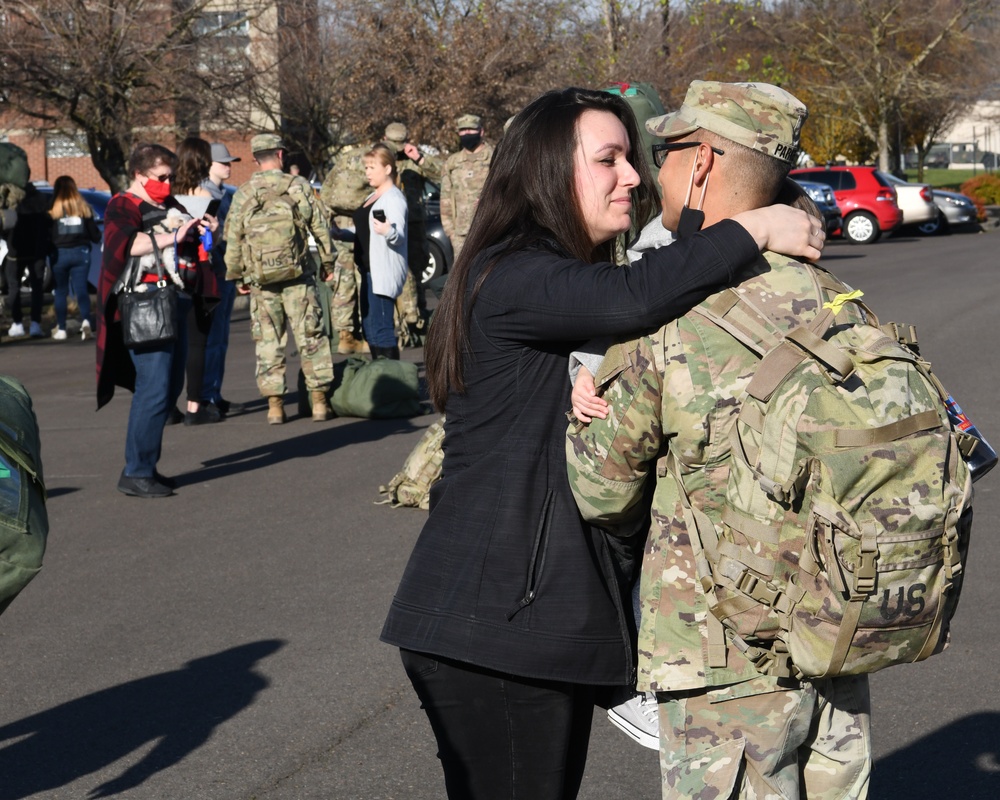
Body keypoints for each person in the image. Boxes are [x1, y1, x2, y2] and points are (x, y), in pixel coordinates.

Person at [379, 86, 824, 799]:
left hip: (520, 623)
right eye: (609, 159)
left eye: (635, 158)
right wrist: (756, 228)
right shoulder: (511, 271)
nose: (634, 176)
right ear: (549, 171)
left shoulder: (551, 279)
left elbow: (632, 300)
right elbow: (635, 297)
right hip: (494, 628)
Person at [566, 81, 871, 799]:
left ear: (700, 162)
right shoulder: (838, 300)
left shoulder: (672, 322)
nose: (649, 173)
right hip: (837, 639)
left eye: (663, 153)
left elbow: (600, 492)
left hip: (722, 658)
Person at [97, 143, 218, 498]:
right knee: (153, 388)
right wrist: (173, 235)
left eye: (170, 176)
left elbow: (185, 237)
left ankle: (144, 466)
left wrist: (205, 228)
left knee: (167, 389)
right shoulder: (123, 204)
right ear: (139, 174)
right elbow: (124, 244)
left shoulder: (166, 203)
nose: (167, 183)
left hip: (174, 300)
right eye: (161, 177)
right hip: (145, 304)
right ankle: (137, 471)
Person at [224, 133, 335, 425]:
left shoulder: (244, 193)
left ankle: (275, 406)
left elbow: (233, 239)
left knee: (268, 340)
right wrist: (328, 262)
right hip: (299, 277)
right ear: (281, 155)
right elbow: (320, 227)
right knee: (310, 336)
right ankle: (320, 403)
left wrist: (237, 275)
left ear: (255, 159)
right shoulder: (298, 186)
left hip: (262, 281)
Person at [172, 136, 222, 426]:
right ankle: (194, 405)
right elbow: (209, 242)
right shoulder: (205, 197)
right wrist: (216, 233)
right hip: (198, 271)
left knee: (172, 343)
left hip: (171, 269)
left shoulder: (167, 195)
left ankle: (167, 406)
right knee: (197, 341)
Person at [200, 142, 244, 416]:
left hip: (226, 269)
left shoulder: (224, 193)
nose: (228, 166)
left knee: (222, 338)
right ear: (209, 164)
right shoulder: (205, 193)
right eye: (223, 162)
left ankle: (214, 393)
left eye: (229, 162)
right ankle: (207, 395)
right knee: (213, 338)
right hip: (215, 270)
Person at [381, 121, 439, 325]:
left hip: (413, 222)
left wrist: (420, 158)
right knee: (395, 271)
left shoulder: (413, 160)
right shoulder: (379, 159)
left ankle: (418, 315)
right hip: (388, 223)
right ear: (385, 140)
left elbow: (442, 175)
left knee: (417, 267)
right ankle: (401, 318)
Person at [353, 144, 407, 359]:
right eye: (366, 168)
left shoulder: (393, 198)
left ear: (387, 169)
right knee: (371, 328)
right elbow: (368, 231)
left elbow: (399, 234)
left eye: (371, 167)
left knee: (382, 329)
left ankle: (394, 381)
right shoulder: (372, 196)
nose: (367, 173)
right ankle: (380, 374)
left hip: (382, 272)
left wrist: (389, 231)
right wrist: (344, 234)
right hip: (368, 271)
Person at [319, 145, 369, 355]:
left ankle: (345, 336)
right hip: (363, 228)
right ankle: (368, 335)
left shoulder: (337, 169)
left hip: (339, 231)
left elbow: (324, 198)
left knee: (343, 285)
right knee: (363, 282)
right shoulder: (370, 165)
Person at [48, 175, 101, 341]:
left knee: (61, 292)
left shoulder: (52, 210)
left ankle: (62, 328)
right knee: (81, 290)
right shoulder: (84, 209)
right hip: (81, 253)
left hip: (59, 254)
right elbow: (95, 236)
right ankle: (86, 321)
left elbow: (47, 235)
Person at [5, 178, 54, 338]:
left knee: (13, 287)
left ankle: (17, 322)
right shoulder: (41, 201)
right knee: (37, 288)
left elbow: (5, 225)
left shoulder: (12, 201)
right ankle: (35, 323)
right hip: (37, 250)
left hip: (15, 252)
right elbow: (49, 225)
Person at [439, 113, 493, 259]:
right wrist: (450, 231)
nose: (467, 133)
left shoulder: (495, 159)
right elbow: (446, 198)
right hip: (461, 236)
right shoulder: (452, 162)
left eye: (471, 130)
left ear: (481, 131)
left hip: (489, 232)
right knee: (462, 278)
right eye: (463, 130)